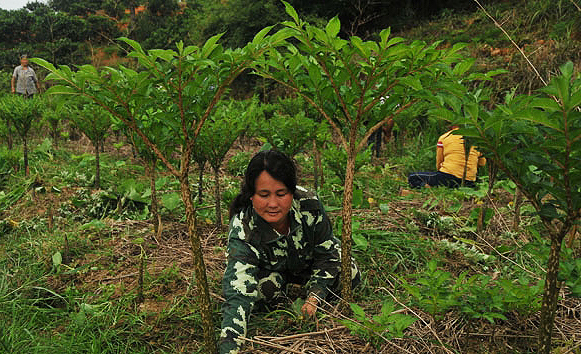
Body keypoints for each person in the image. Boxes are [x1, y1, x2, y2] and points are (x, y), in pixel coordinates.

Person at [220, 150, 360, 354]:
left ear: (292, 192)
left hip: (309, 266)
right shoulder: (243, 227)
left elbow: (327, 254)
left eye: (281, 194)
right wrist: (229, 348)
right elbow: (238, 292)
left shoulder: (309, 205)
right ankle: (283, 297)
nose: (273, 204)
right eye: (264, 195)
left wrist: (315, 297)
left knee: (351, 274)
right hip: (272, 273)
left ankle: (303, 292)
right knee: (260, 292)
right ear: (251, 195)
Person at [408, 126, 486, 188]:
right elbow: (482, 163)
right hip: (469, 181)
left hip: (448, 177)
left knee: (412, 177)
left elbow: (439, 162)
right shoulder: (476, 138)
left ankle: (429, 187)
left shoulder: (444, 137)